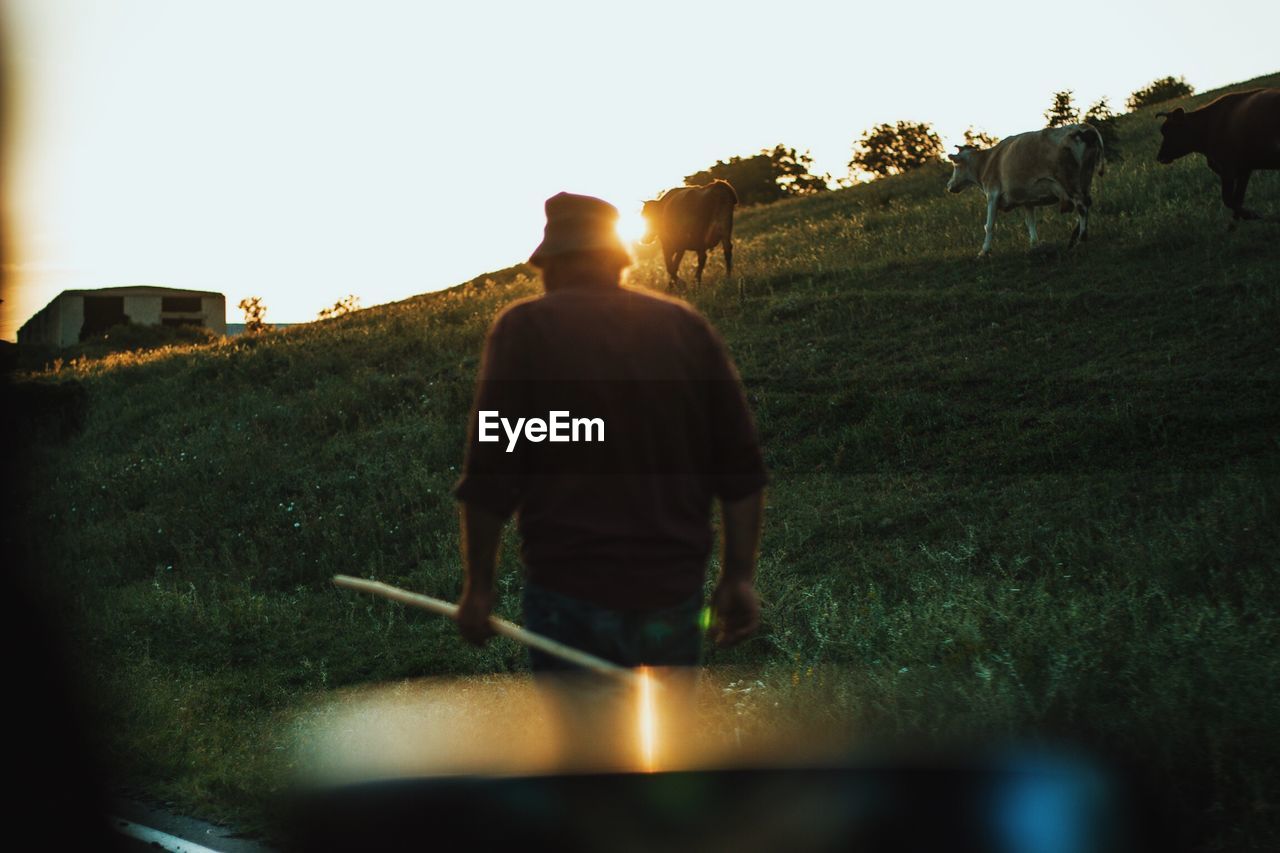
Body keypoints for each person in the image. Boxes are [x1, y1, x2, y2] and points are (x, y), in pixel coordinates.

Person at [451, 192, 766, 765]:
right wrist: (738, 577)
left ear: (554, 264)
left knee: (588, 761)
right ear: (617, 259)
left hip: (570, 585)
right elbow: (740, 469)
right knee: (669, 754)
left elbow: (492, 472)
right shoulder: (683, 328)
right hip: (671, 588)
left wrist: (479, 587)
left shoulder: (524, 330)